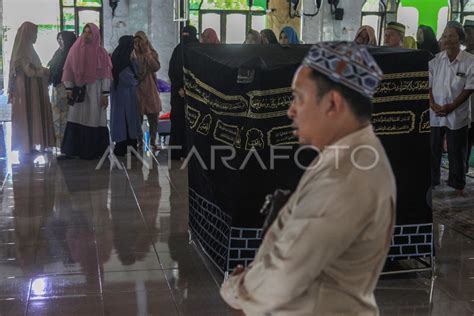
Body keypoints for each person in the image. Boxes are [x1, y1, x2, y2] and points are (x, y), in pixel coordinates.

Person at [221, 42, 396, 315]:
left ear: (332, 103)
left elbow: (282, 278)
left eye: (298, 98)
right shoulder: (345, 154)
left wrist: (236, 288)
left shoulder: (346, 177)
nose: (291, 110)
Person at [430, 21, 474, 194]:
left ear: (460, 39)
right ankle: (432, 180)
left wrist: (451, 106)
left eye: (451, 36)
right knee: (433, 148)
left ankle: (457, 183)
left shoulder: (469, 61)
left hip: (457, 113)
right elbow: (428, 84)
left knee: (456, 150)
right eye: (445, 36)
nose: (447, 39)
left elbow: (469, 88)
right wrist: (433, 104)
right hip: (435, 112)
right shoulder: (435, 60)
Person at [60, 23, 112, 160]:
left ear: (95, 35)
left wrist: (105, 94)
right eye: (85, 32)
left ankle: (93, 151)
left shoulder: (101, 53)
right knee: (76, 118)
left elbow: (106, 75)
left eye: (90, 33)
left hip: (95, 91)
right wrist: (69, 88)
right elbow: (68, 70)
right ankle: (73, 150)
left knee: (93, 118)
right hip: (79, 92)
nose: (87, 35)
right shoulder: (75, 50)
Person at [8, 21, 55, 155]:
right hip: (25, 90)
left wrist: (42, 70)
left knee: (29, 115)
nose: (36, 36)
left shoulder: (26, 48)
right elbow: (29, 71)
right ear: (28, 34)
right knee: (27, 114)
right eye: (34, 33)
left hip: (29, 89)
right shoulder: (23, 51)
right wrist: (43, 72)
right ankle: (26, 145)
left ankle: (29, 144)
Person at [169, 25, 199, 160]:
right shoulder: (183, 49)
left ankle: (184, 152)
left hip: (191, 93)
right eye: (183, 34)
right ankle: (179, 152)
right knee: (179, 121)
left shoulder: (194, 49)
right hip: (182, 93)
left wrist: (184, 88)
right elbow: (173, 71)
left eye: (187, 34)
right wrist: (180, 88)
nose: (185, 37)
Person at [110, 35, 142, 156]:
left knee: (126, 122)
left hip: (124, 96)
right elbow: (130, 79)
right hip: (125, 97)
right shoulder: (122, 61)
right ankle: (124, 147)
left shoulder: (122, 58)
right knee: (125, 122)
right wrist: (137, 80)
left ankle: (127, 146)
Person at [48, 31, 77, 149]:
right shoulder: (58, 53)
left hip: (67, 89)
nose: (60, 41)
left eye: (62, 39)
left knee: (66, 117)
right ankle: (58, 144)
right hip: (56, 89)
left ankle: (67, 144)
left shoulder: (72, 54)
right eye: (58, 39)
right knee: (56, 116)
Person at [133, 31, 162, 150]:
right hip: (137, 89)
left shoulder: (151, 53)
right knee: (137, 117)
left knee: (154, 116)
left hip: (150, 88)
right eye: (135, 41)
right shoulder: (132, 55)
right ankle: (139, 142)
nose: (138, 44)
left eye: (140, 41)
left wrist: (147, 54)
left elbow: (155, 67)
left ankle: (153, 142)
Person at [464, 20, 474, 171]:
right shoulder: (462, 55)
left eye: (469, 33)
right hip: (464, 106)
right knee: (465, 141)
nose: (466, 36)